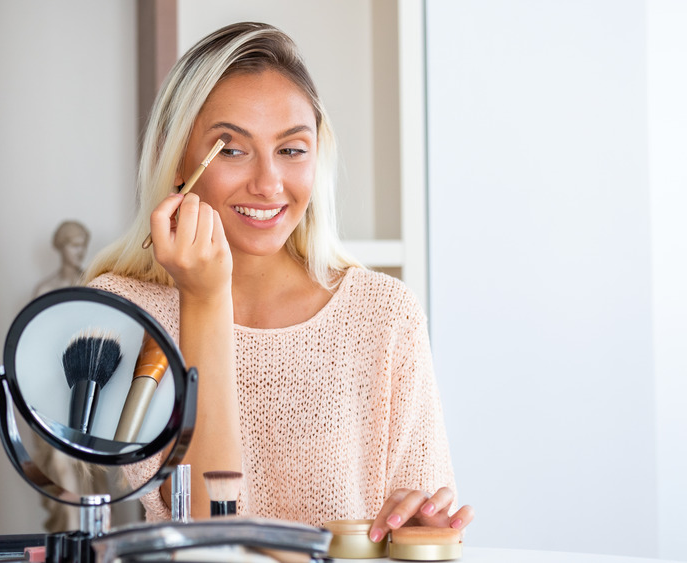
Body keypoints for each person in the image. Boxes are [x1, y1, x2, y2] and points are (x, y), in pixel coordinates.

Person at [83, 22, 473, 542]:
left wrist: (420, 525)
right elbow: (209, 534)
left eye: (291, 150)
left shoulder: (385, 313)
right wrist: (203, 297)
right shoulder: (125, 315)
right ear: (178, 159)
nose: (268, 184)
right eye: (230, 149)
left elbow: (424, 528)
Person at [33, 220, 90, 298]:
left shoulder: (93, 283)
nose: (81, 252)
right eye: (75, 245)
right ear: (61, 247)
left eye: (84, 245)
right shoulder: (45, 289)